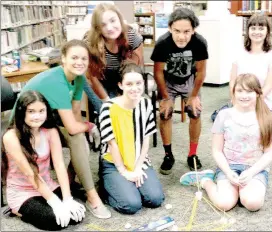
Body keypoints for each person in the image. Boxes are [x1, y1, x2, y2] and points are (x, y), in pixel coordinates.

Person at [9, 39, 111, 219]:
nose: (79, 62)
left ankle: (69, 183)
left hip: (43, 125)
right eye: (74, 57)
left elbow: (75, 116)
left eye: (83, 58)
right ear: (63, 58)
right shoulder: (57, 80)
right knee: (78, 136)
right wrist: (91, 126)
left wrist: (84, 128)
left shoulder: (78, 79)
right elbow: (72, 126)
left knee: (80, 140)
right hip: (23, 129)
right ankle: (92, 196)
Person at [180, 73, 272, 212]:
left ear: (257, 93)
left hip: (255, 167)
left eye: (249, 91)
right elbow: (217, 150)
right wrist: (227, 172)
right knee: (224, 204)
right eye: (240, 91)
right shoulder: (224, 115)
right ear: (233, 92)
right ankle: (206, 181)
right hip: (229, 166)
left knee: (253, 203)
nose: (244, 95)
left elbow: (269, 153)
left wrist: (251, 172)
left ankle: (240, 189)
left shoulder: (267, 117)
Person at [2, 90, 86, 230]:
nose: (37, 116)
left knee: (76, 214)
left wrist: (67, 198)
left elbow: (59, 165)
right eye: (31, 111)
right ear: (22, 112)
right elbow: (30, 174)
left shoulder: (51, 131)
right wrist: (54, 202)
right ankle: (16, 210)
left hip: (47, 185)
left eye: (42, 111)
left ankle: (48, 202)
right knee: (55, 221)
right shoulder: (11, 137)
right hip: (22, 191)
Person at [98, 61, 165, 215]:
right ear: (121, 85)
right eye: (129, 84)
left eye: (138, 83)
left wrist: (138, 167)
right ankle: (107, 186)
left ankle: (125, 185)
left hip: (138, 159)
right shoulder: (108, 108)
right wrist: (124, 172)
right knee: (131, 205)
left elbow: (146, 140)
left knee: (155, 199)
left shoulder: (147, 104)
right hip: (114, 163)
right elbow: (111, 145)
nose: (135, 88)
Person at [150, 7, 209, 174]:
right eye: (177, 31)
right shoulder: (162, 43)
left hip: (189, 79)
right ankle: (168, 155)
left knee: (195, 112)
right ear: (170, 28)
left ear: (193, 30)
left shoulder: (199, 42)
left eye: (186, 31)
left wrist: (194, 95)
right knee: (165, 113)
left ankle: (192, 155)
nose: (181, 36)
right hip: (167, 80)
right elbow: (158, 72)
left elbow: (201, 71)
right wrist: (166, 97)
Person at [82, 2, 144, 115]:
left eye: (113, 20)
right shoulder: (89, 42)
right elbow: (92, 77)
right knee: (108, 111)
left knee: (125, 109)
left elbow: (133, 72)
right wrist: (107, 102)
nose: (110, 28)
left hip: (120, 79)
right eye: (103, 25)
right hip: (97, 79)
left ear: (120, 19)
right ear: (98, 28)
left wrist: (123, 97)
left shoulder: (132, 36)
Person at [229, 13, 272, 111]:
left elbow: (269, 85)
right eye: (253, 28)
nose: (256, 32)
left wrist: (252, 102)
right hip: (239, 102)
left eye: (261, 28)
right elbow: (233, 80)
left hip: (262, 103)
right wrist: (234, 100)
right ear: (248, 31)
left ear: (267, 31)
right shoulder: (239, 51)